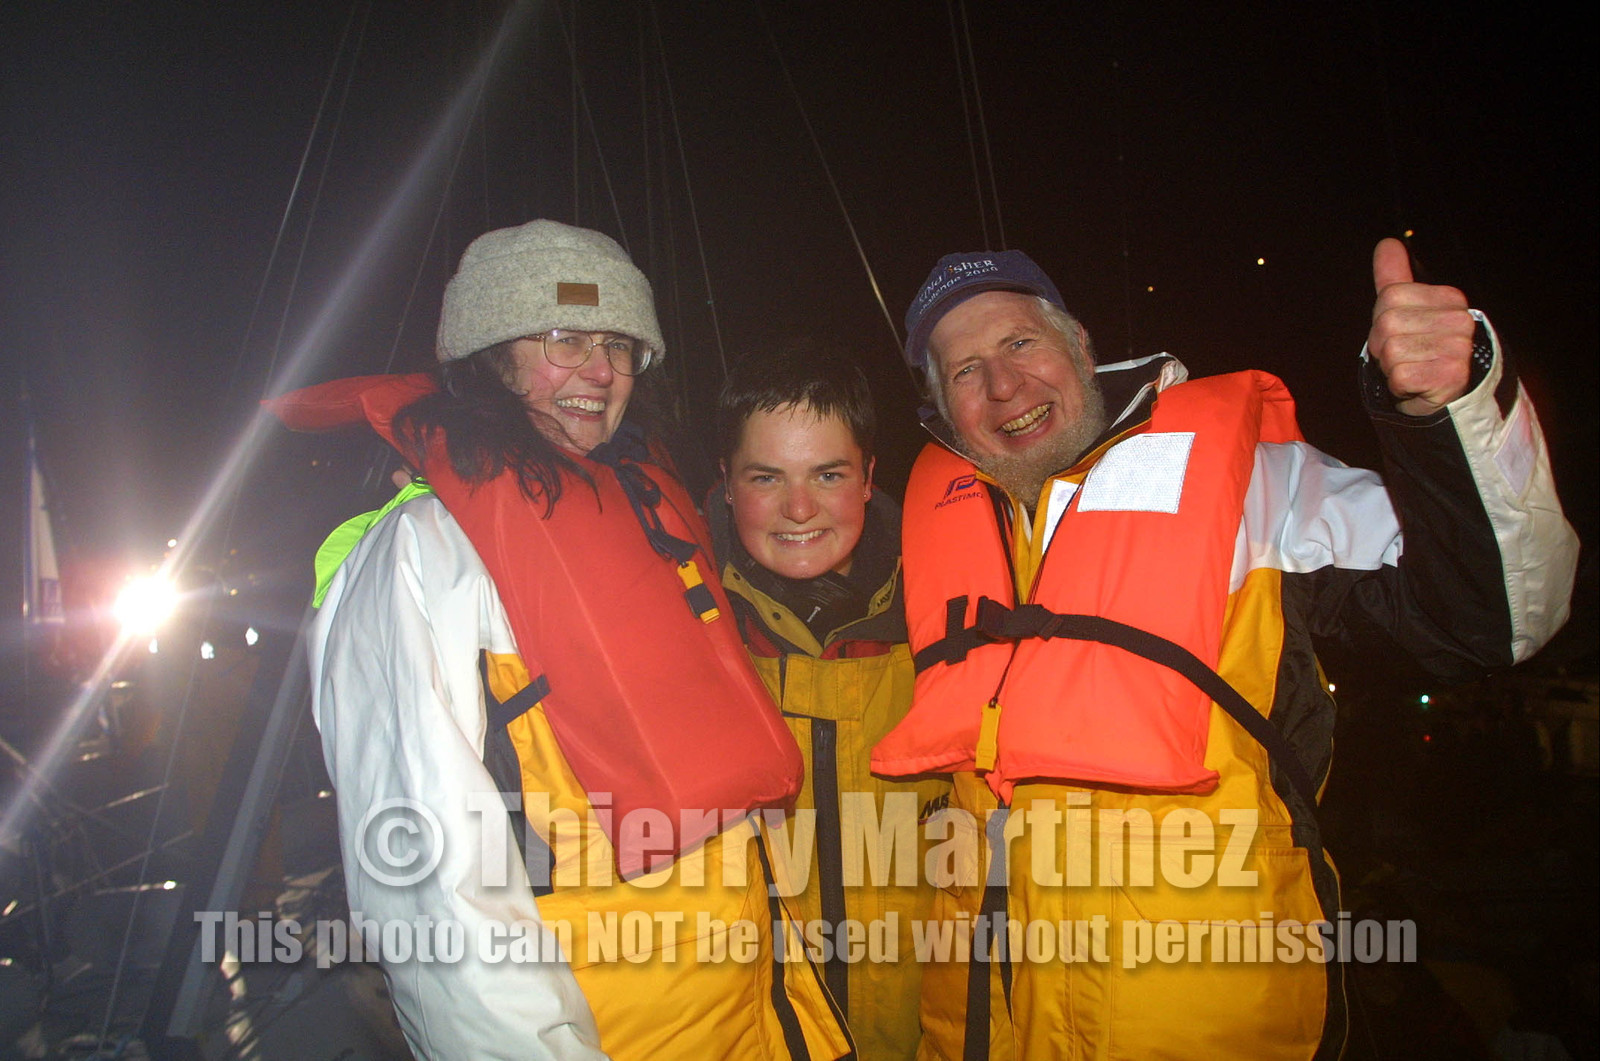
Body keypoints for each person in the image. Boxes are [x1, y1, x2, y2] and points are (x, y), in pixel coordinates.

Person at [869, 239, 1579, 1059]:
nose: (1002, 386)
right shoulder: (928, 536)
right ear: (941, 410)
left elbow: (1493, 616)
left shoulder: (1256, 487)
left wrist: (1446, 410)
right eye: (963, 371)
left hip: (1202, 1026)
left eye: (1021, 343)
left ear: (1081, 348)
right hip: (983, 1031)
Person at [269, 220, 851, 1061]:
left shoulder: (644, 513)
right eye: (564, 337)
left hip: (757, 1017)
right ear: (488, 354)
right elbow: (430, 890)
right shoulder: (417, 557)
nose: (601, 370)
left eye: (619, 343)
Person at [709, 348, 949, 1061]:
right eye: (766, 477)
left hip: (924, 1031)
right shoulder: (686, 631)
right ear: (726, 485)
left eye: (829, 473)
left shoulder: (951, 620)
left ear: (870, 477)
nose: (800, 508)